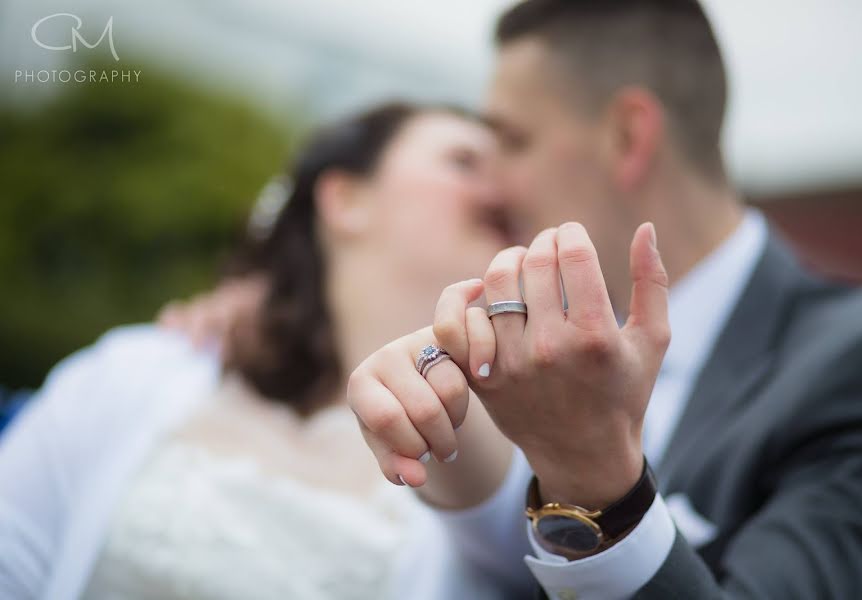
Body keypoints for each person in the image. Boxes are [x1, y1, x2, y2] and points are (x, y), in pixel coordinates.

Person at [347, 1, 862, 599]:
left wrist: (599, 487)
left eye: (513, 140)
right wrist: (449, 428)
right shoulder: (540, 344)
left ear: (628, 136)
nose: (491, 185)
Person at [0, 102, 518, 600]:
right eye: (464, 162)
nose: (502, 189)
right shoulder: (142, 368)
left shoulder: (512, 444)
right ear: (347, 200)